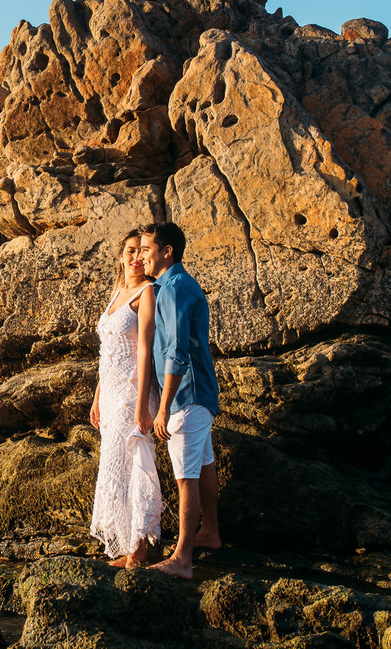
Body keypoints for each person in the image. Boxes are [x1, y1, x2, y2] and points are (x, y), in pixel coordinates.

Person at [135, 222, 222, 579]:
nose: (141, 255)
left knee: (185, 477)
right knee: (203, 465)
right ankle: (210, 533)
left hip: (187, 396)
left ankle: (182, 558)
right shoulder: (177, 284)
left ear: (166, 250)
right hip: (199, 393)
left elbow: (177, 351)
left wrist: (165, 407)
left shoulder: (173, 288)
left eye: (146, 248)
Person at [89, 229, 165, 568]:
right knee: (114, 467)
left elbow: (146, 351)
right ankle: (125, 542)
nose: (136, 257)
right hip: (110, 393)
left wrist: (141, 407)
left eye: (141, 251)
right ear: (120, 255)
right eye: (130, 250)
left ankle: (138, 549)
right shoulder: (118, 291)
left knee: (134, 465)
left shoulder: (147, 292)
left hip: (132, 394)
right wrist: (96, 397)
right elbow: (107, 352)